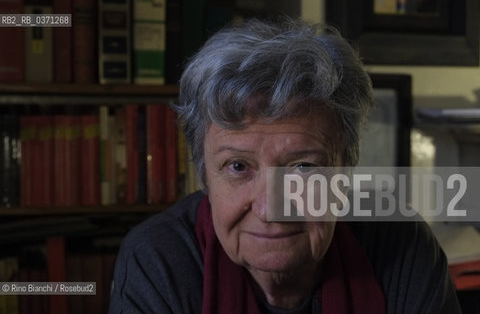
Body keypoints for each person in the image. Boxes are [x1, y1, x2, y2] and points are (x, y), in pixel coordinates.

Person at [109, 18, 461, 313]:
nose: (270, 209)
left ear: (345, 172)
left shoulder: (399, 240)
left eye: (304, 167)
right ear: (204, 177)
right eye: (237, 166)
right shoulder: (158, 258)